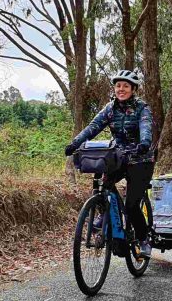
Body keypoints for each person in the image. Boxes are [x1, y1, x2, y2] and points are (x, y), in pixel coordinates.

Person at [65, 69, 155, 259]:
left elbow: (146, 126)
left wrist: (144, 143)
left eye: (126, 86)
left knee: (131, 205)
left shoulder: (142, 108)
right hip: (119, 157)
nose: (121, 89)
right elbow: (93, 127)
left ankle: (143, 238)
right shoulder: (110, 108)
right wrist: (75, 143)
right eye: (118, 86)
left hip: (141, 159)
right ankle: (103, 211)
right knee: (102, 185)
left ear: (133, 89)